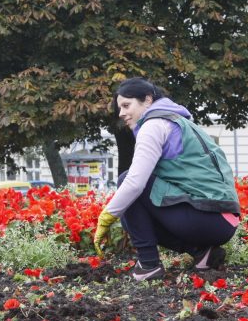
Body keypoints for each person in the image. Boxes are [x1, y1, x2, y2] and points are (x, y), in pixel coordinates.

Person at [94, 77, 240, 281]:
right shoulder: (180, 121)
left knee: (127, 183)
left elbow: (135, 182)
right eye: (120, 108)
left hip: (207, 217)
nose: (121, 113)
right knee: (132, 215)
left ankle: (148, 265)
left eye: (127, 105)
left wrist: (107, 217)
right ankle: (201, 252)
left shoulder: (153, 125)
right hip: (224, 221)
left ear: (147, 100)